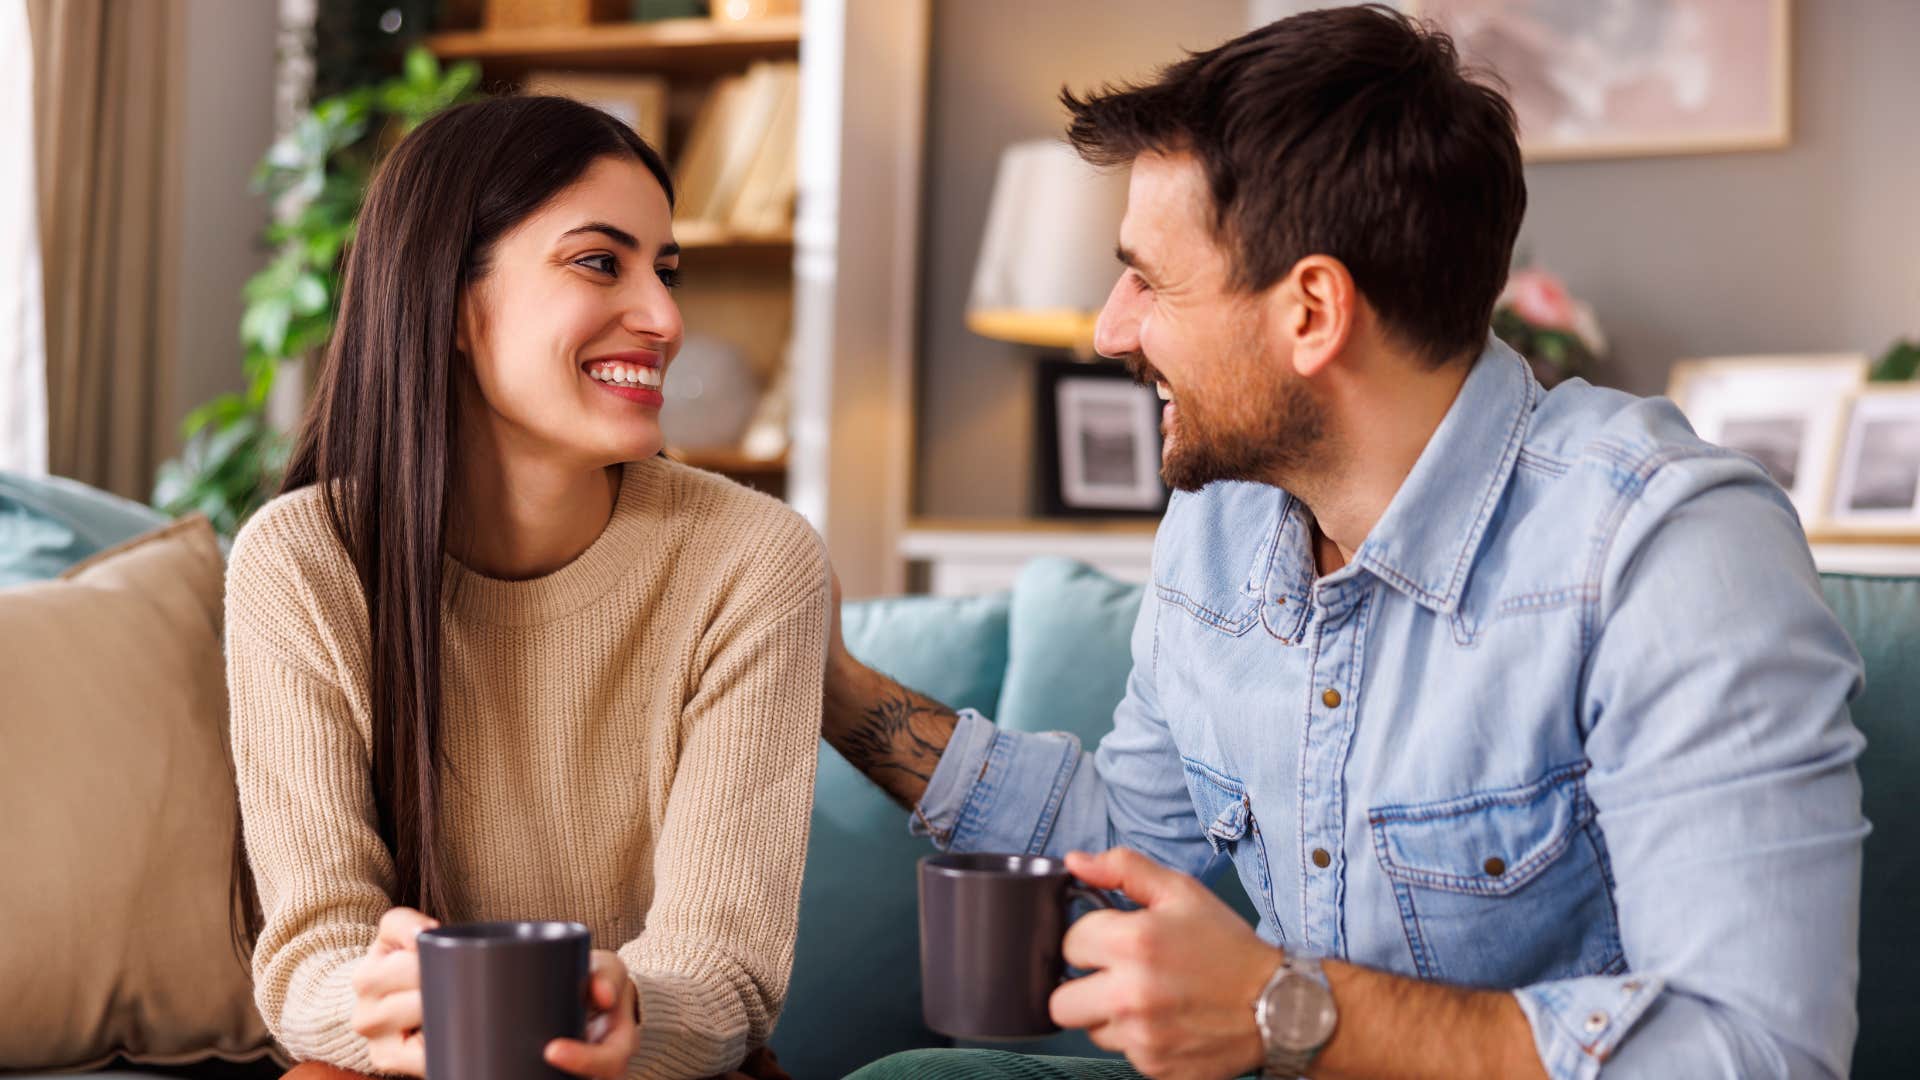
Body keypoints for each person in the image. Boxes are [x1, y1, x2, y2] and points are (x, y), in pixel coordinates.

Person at [824, 7, 1866, 1080]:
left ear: (1312, 311)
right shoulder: (1222, 523)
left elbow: (1757, 1049)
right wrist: (832, 683)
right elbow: (1119, 846)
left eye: (1150, 279)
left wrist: (1287, 1011)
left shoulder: (1664, 552)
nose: (1109, 329)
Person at [225, 95, 826, 1080]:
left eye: (666, 271)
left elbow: (726, 967)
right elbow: (312, 958)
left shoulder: (753, 559)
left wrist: (627, 1010)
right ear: (451, 298)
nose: (666, 319)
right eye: (601, 262)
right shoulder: (301, 563)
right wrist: (384, 1007)